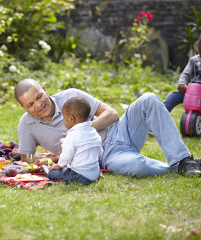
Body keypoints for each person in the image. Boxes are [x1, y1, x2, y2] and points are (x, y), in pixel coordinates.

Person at [15, 78, 201, 177]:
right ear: (23, 108)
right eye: (30, 105)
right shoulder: (26, 124)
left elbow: (111, 114)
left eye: (39, 96)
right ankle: (179, 169)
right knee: (135, 166)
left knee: (149, 99)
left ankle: (183, 159)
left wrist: (82, 131)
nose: (38, 105)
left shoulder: (70, 96)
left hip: (122, 130)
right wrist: (51, 159)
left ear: (45, 90)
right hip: (107, 156)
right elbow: (26, 159)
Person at [47, 97, 103, 184]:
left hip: (80, 176)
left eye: (65, 120)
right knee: (68, 168)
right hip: (94, 174)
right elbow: (100, 153)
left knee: (52, 173)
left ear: (71, 119)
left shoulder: (72, 135)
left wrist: (58, 166)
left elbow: (66, 156)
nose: (64, 122)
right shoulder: (93, 132)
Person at [163, 36, 201, 112]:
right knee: (173, 96)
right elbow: (185, 74)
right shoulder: (194, 60)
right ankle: (162, 113)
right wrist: (182, 82)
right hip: (193, 91)